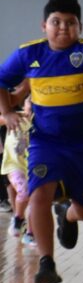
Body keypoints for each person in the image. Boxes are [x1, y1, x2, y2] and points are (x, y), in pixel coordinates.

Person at [0, 0, 83, 283]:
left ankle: (68, 216)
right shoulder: (28, 54)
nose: (63, 28)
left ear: (80, 26)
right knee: (38, 195)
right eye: (56, 22)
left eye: (70, 23)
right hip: (45, 142)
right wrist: (6, 111)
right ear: (44, 25)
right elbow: (1, 80)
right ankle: (47, 263)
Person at [1, 94, 32, 238]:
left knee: (35, 200)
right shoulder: (16, 117)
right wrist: (6, 116)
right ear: (24, 105)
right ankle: (18, 219)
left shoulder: (40, 121)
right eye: (30, 104)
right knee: (23, 190)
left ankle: (30, 233)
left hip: (31, 166)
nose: (32, 108)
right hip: (14, 165)